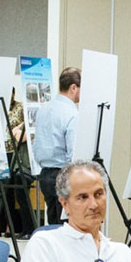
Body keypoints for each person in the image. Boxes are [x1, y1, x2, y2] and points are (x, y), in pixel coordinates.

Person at [31, 66, 80, 225]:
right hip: (63, 174)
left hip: (45, 174)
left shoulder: (43, 109)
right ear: (73, 87)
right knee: (66, 226)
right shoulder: (71, 113)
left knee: (53, 225)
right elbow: (72, 151)